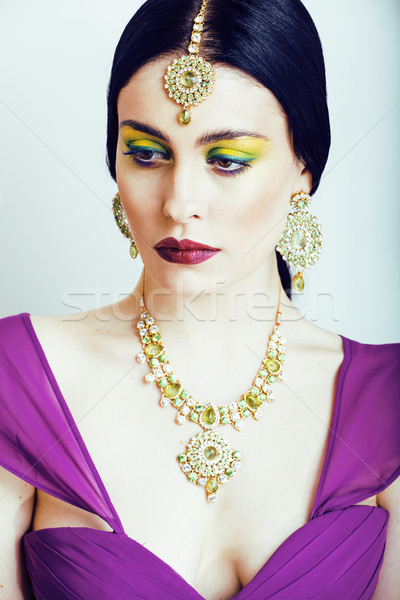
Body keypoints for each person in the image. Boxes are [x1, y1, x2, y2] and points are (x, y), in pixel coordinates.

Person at [0, 0, 399, 598]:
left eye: (228, 161)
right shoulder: (19, 379)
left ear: (302, 169)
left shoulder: (385, 401)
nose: (179, 202)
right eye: (146, 153)